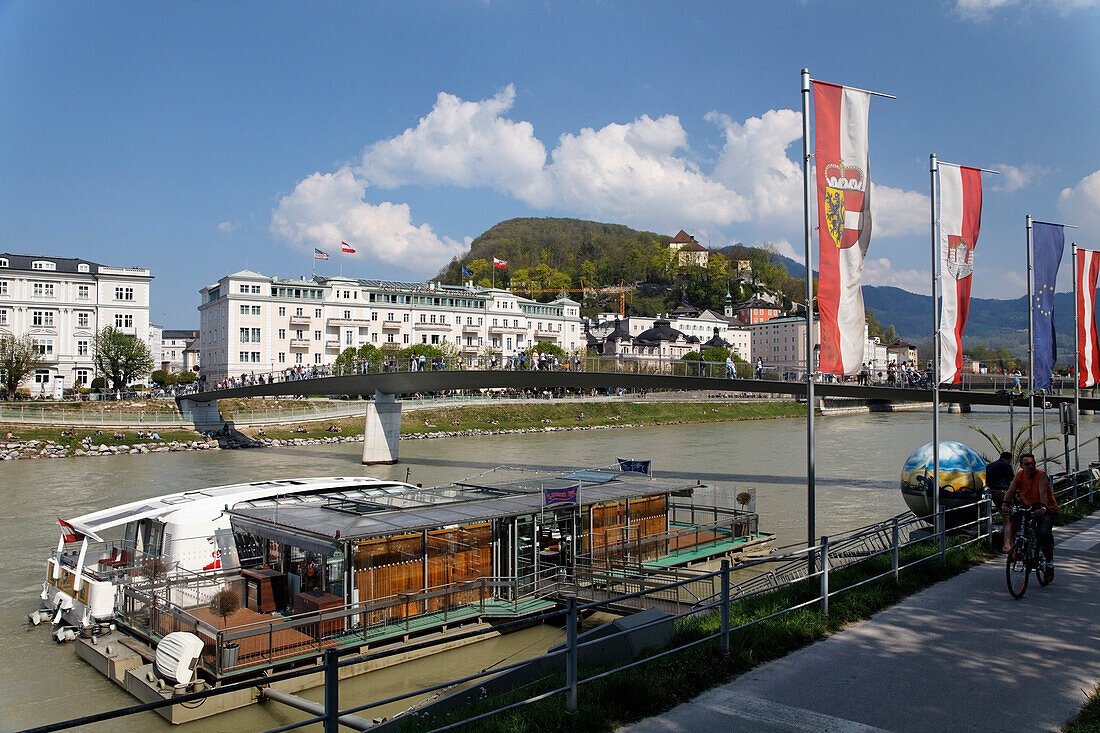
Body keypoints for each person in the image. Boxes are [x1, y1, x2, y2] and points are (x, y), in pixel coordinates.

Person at [1001, 452, 1057, 582]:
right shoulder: (1020, 476)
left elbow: (1043, 492)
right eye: (1027, 464)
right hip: (1029, 506)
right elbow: (1010, 491)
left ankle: (1049, 565)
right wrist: (1005, 504)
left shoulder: (1041, 475)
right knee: (1014, 519)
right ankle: (1016, 548)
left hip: (1047, 509)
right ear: (1021, 466)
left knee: (1043, 533)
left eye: (1033, 464)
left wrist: (1043, 507)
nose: (1030, 466)